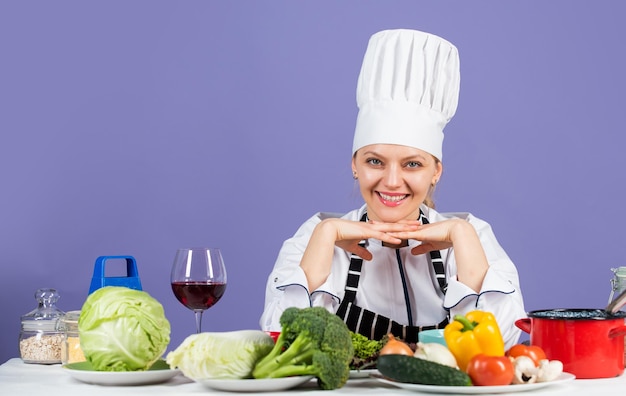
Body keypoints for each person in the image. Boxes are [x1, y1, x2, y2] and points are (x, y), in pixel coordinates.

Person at [259, 29, 525, 348]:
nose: (392, 181)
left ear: (435, 171)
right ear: (354, 165)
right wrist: (326, 237)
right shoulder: (314, 236)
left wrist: (462, 236)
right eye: (375, 162)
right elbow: (284, 340)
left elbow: (503, 342)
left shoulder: (473, 235)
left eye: (412, 164)